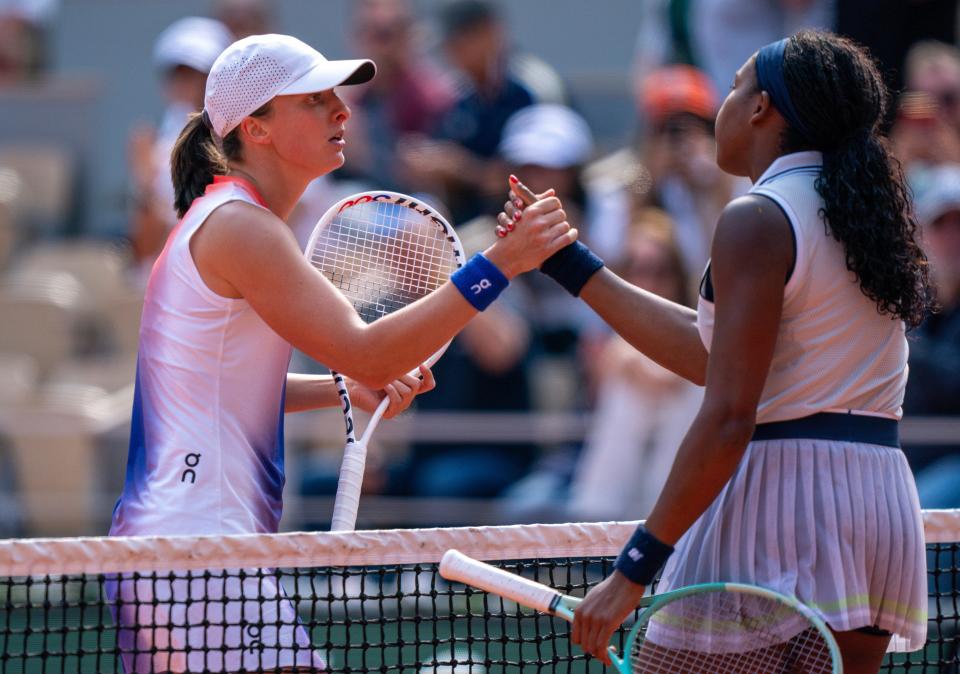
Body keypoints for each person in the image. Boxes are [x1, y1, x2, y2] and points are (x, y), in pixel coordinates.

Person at [107, 33, 574, 673]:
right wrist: (503, 264)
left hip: (184, 548)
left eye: (337, 97)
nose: (342, 111)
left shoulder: (227, 219)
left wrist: (342, 390)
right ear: (257, 128)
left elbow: (217, 387)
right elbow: (371, 352)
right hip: (196, 550)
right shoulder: (242, 227)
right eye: (315, 100)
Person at [502, 31, 931, 673]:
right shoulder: (861, 212)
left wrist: (633, 569)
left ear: (762, 109)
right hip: (874, 509)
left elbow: (730, 412)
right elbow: (715, 358)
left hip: (775, 507)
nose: (723, 105)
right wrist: (570, 264)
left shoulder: (756, 217)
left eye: (733, 87)